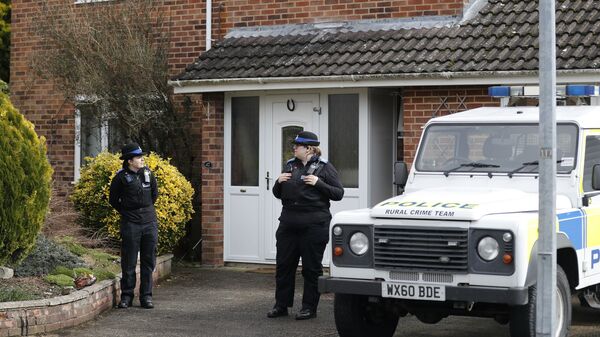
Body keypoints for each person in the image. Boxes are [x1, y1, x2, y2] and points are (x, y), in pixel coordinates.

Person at [268, 131, 344, 320]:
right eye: (294, 145)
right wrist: (277, 183)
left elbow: (338, 193)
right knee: (284, 266)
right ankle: (281, 305)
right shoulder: (290, 165)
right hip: (288, 224)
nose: (293, 147)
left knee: (311, 268)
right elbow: (278, 194)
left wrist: (319, 183)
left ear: (309, 148)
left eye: (297, 145)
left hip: (314, 225)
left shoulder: (325, 168)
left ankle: (309, 308)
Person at [109, 143, 159, 309]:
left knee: (148, 261)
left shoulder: (148, 174)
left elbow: (154, 195)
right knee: (129, 261)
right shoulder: (120, 178)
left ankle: (146, 297)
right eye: (138, 157)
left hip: (149, 222)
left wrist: (144, 212)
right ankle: (126, 297)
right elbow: (113, 200)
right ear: (129, 160)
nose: (142, 159)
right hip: (131, 223)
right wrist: (128, 212)